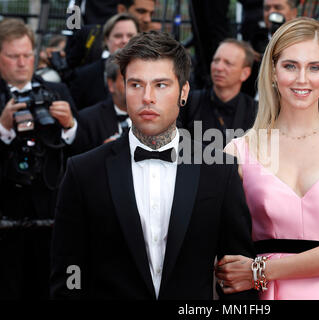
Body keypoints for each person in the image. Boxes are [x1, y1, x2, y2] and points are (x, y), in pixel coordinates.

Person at [50, 31, 257, 300]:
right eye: (136, 84)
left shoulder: (219, 171)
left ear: (183, 92)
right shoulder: (83, 172)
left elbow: (237, 278)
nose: (147, 97)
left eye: (160, 85)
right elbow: (68, 275)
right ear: (124, 88)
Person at [214, 17, 319, 300]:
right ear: (273, 72)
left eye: (314, 67)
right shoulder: (237, 151)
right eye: (290, 66)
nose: (302, 79)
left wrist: (261, 270)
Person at [0, 18, 78, 299]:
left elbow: (80, 152)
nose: (22, 62)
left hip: (50, 213)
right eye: (13, 56)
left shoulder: (58, 92)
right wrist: (3, 129)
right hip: (6, 215)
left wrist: (69, 126)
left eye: (27, 55)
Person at [178, 38, 257, 146]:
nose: (219, 68)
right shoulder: (188, 102)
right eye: (216, 60)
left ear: (245, 73)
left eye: (228, 63)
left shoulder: (256, 112)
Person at [69, 13, 139, 110]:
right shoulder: (84, 76)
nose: (124, 41)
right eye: (118, 36)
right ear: (106, 40)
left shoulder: (152, 73)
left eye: (130, 36)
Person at [64, 0, 157, 70]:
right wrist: (72, 35)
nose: (148, 19)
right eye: (141, 11)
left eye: (152, 14)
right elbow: (73, 7)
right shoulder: (88, 36)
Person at [71, 55, 129, 154]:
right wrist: (102, 154)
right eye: (126, 79)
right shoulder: (88, 119)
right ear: (111, 84)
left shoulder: (157, 115)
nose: (135, 85)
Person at [243, 0, 298, 97]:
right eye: (267, 8)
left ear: (294, 13)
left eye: (278, 8)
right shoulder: (254, 43)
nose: (271, 12)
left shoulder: (303, 43)